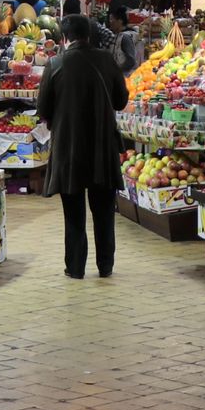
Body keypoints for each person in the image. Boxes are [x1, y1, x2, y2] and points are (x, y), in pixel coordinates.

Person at [37, 14, 129, 278]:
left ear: (64, 38)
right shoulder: (106, 60)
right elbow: (121, 101)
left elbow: (43, 109)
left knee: (73, 213)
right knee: (103, 212)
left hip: (70, 148)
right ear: (89, 35)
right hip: (103, 148)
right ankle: (106, 266)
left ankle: (75, 267)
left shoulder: (55, 64)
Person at [107, 4, 143, 74]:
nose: (110, 22)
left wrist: (117, 70)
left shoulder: (125, 37)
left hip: (125, 76)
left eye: (112, 19)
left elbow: (131, 60)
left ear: (120, 21)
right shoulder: (118, 35)